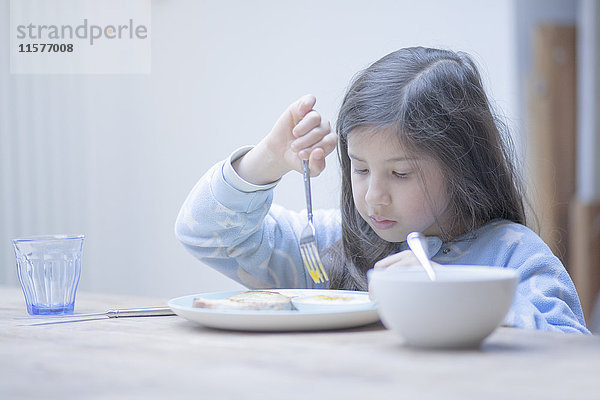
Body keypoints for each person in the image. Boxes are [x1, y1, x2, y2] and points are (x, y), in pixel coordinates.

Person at [175, 47, 589, 334]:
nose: (374, 196)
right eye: (360, 168)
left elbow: (568, 348)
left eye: (401, 174)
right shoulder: (332, 249)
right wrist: (267, 158)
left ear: (463, 167)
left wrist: (451, 289)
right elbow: (207, 233)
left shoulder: (513, 254)